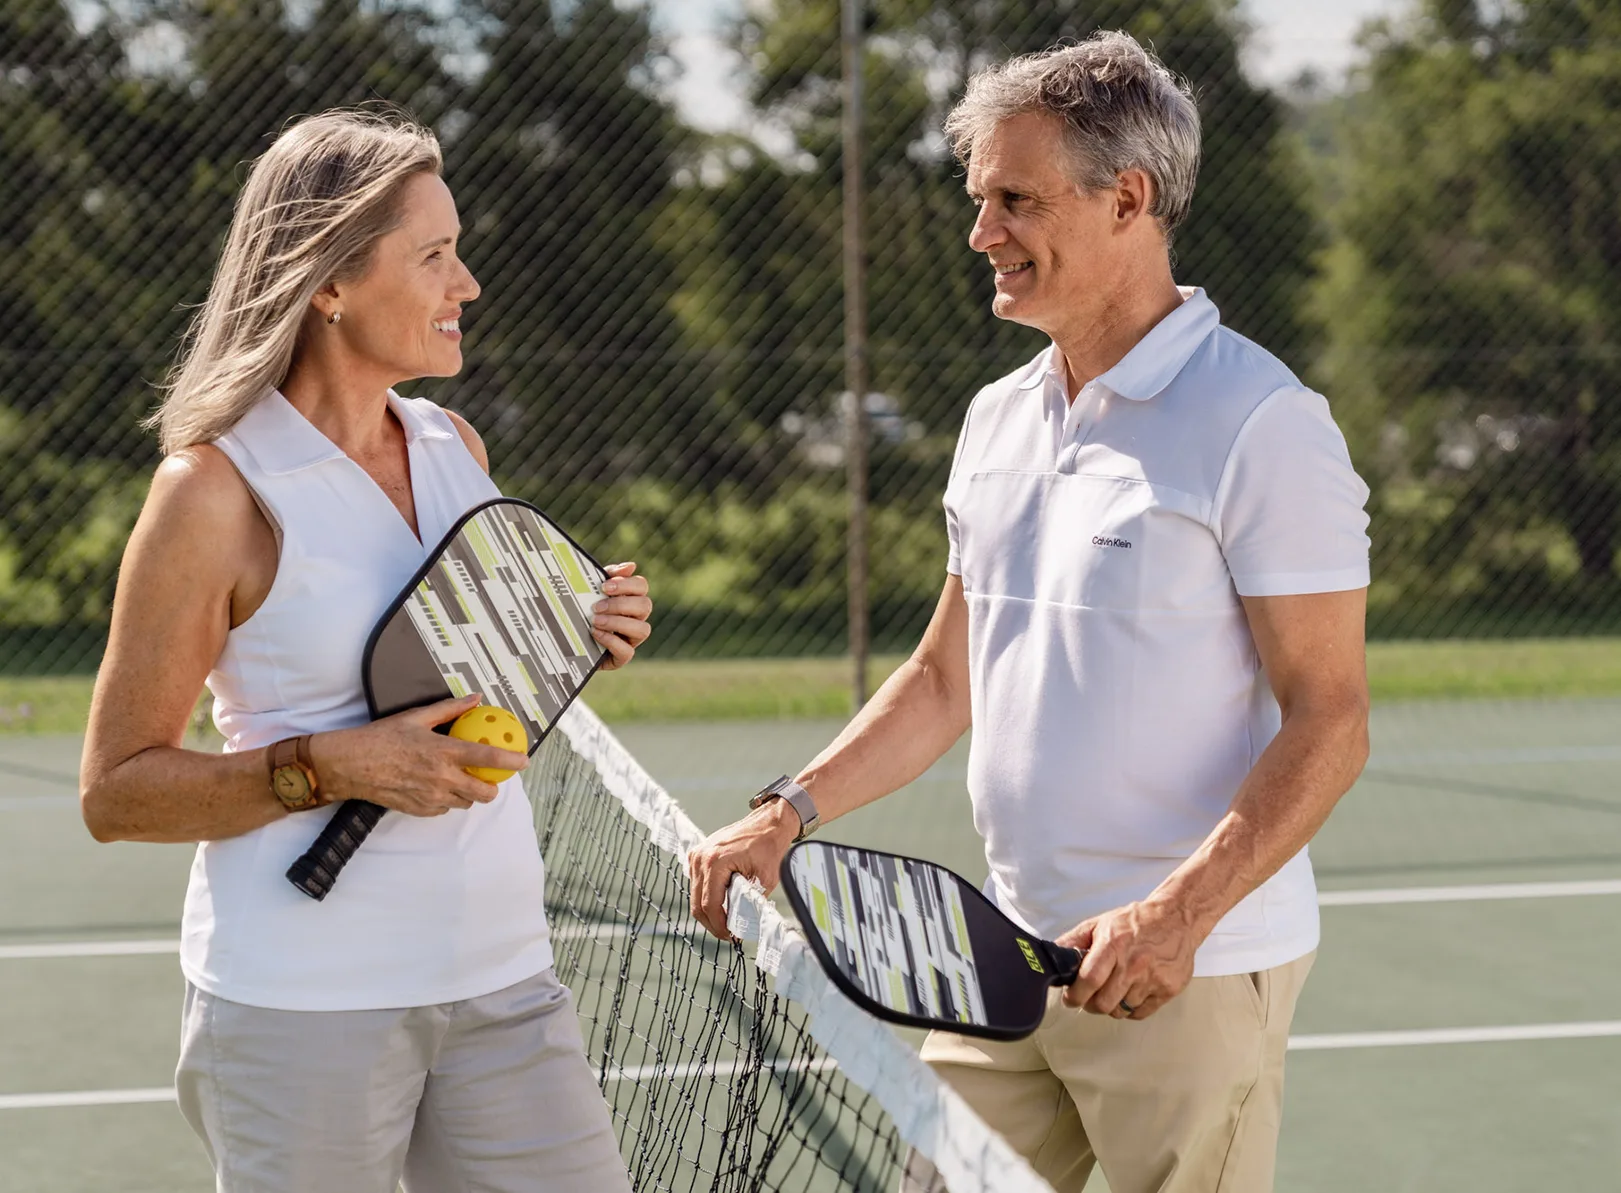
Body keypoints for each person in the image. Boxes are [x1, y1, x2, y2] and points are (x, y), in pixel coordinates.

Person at [688, 32, 1370, 1193]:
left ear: (1128, 200)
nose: (980, 232)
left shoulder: (1263, 422)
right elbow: (943, 677)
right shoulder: (995, 418)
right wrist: (785, 812)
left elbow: (1331, 716)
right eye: (978, 198)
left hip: (1185, 973)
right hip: (1000, 962)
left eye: (1014, 199)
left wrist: (1175, 916)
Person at [79, 109, 651, 1193]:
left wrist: (576, 635)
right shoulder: (211, 493)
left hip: (504, 976)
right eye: (434, 256)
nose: (466, 283)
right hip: (303, 1004)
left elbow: (467, 677)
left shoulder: (452, 444)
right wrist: (331, 766)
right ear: (329, 282)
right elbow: (116, 792)